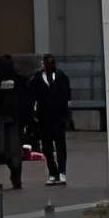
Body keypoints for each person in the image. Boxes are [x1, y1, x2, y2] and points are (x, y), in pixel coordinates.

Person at [33, 54, 75, 186]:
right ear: (43, 64)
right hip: (44, 118)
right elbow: (33, 96)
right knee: (46, 148)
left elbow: (68, 98)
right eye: (47, 63)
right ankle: (52, 172)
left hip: (58, 118)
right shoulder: (38, 78)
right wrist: (34, 115)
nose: (49, 65)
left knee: (60, 146)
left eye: (52, 63)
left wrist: (67, 117)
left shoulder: (62, 77)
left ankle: (62, 172)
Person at [0, 55, 29, 191]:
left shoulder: (20, 81)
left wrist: (25, 120)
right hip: (1, 121)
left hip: (15, 122)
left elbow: (24, 102)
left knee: (14, 152)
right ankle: (14, 171)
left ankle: (16, 178)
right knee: (1, 151)